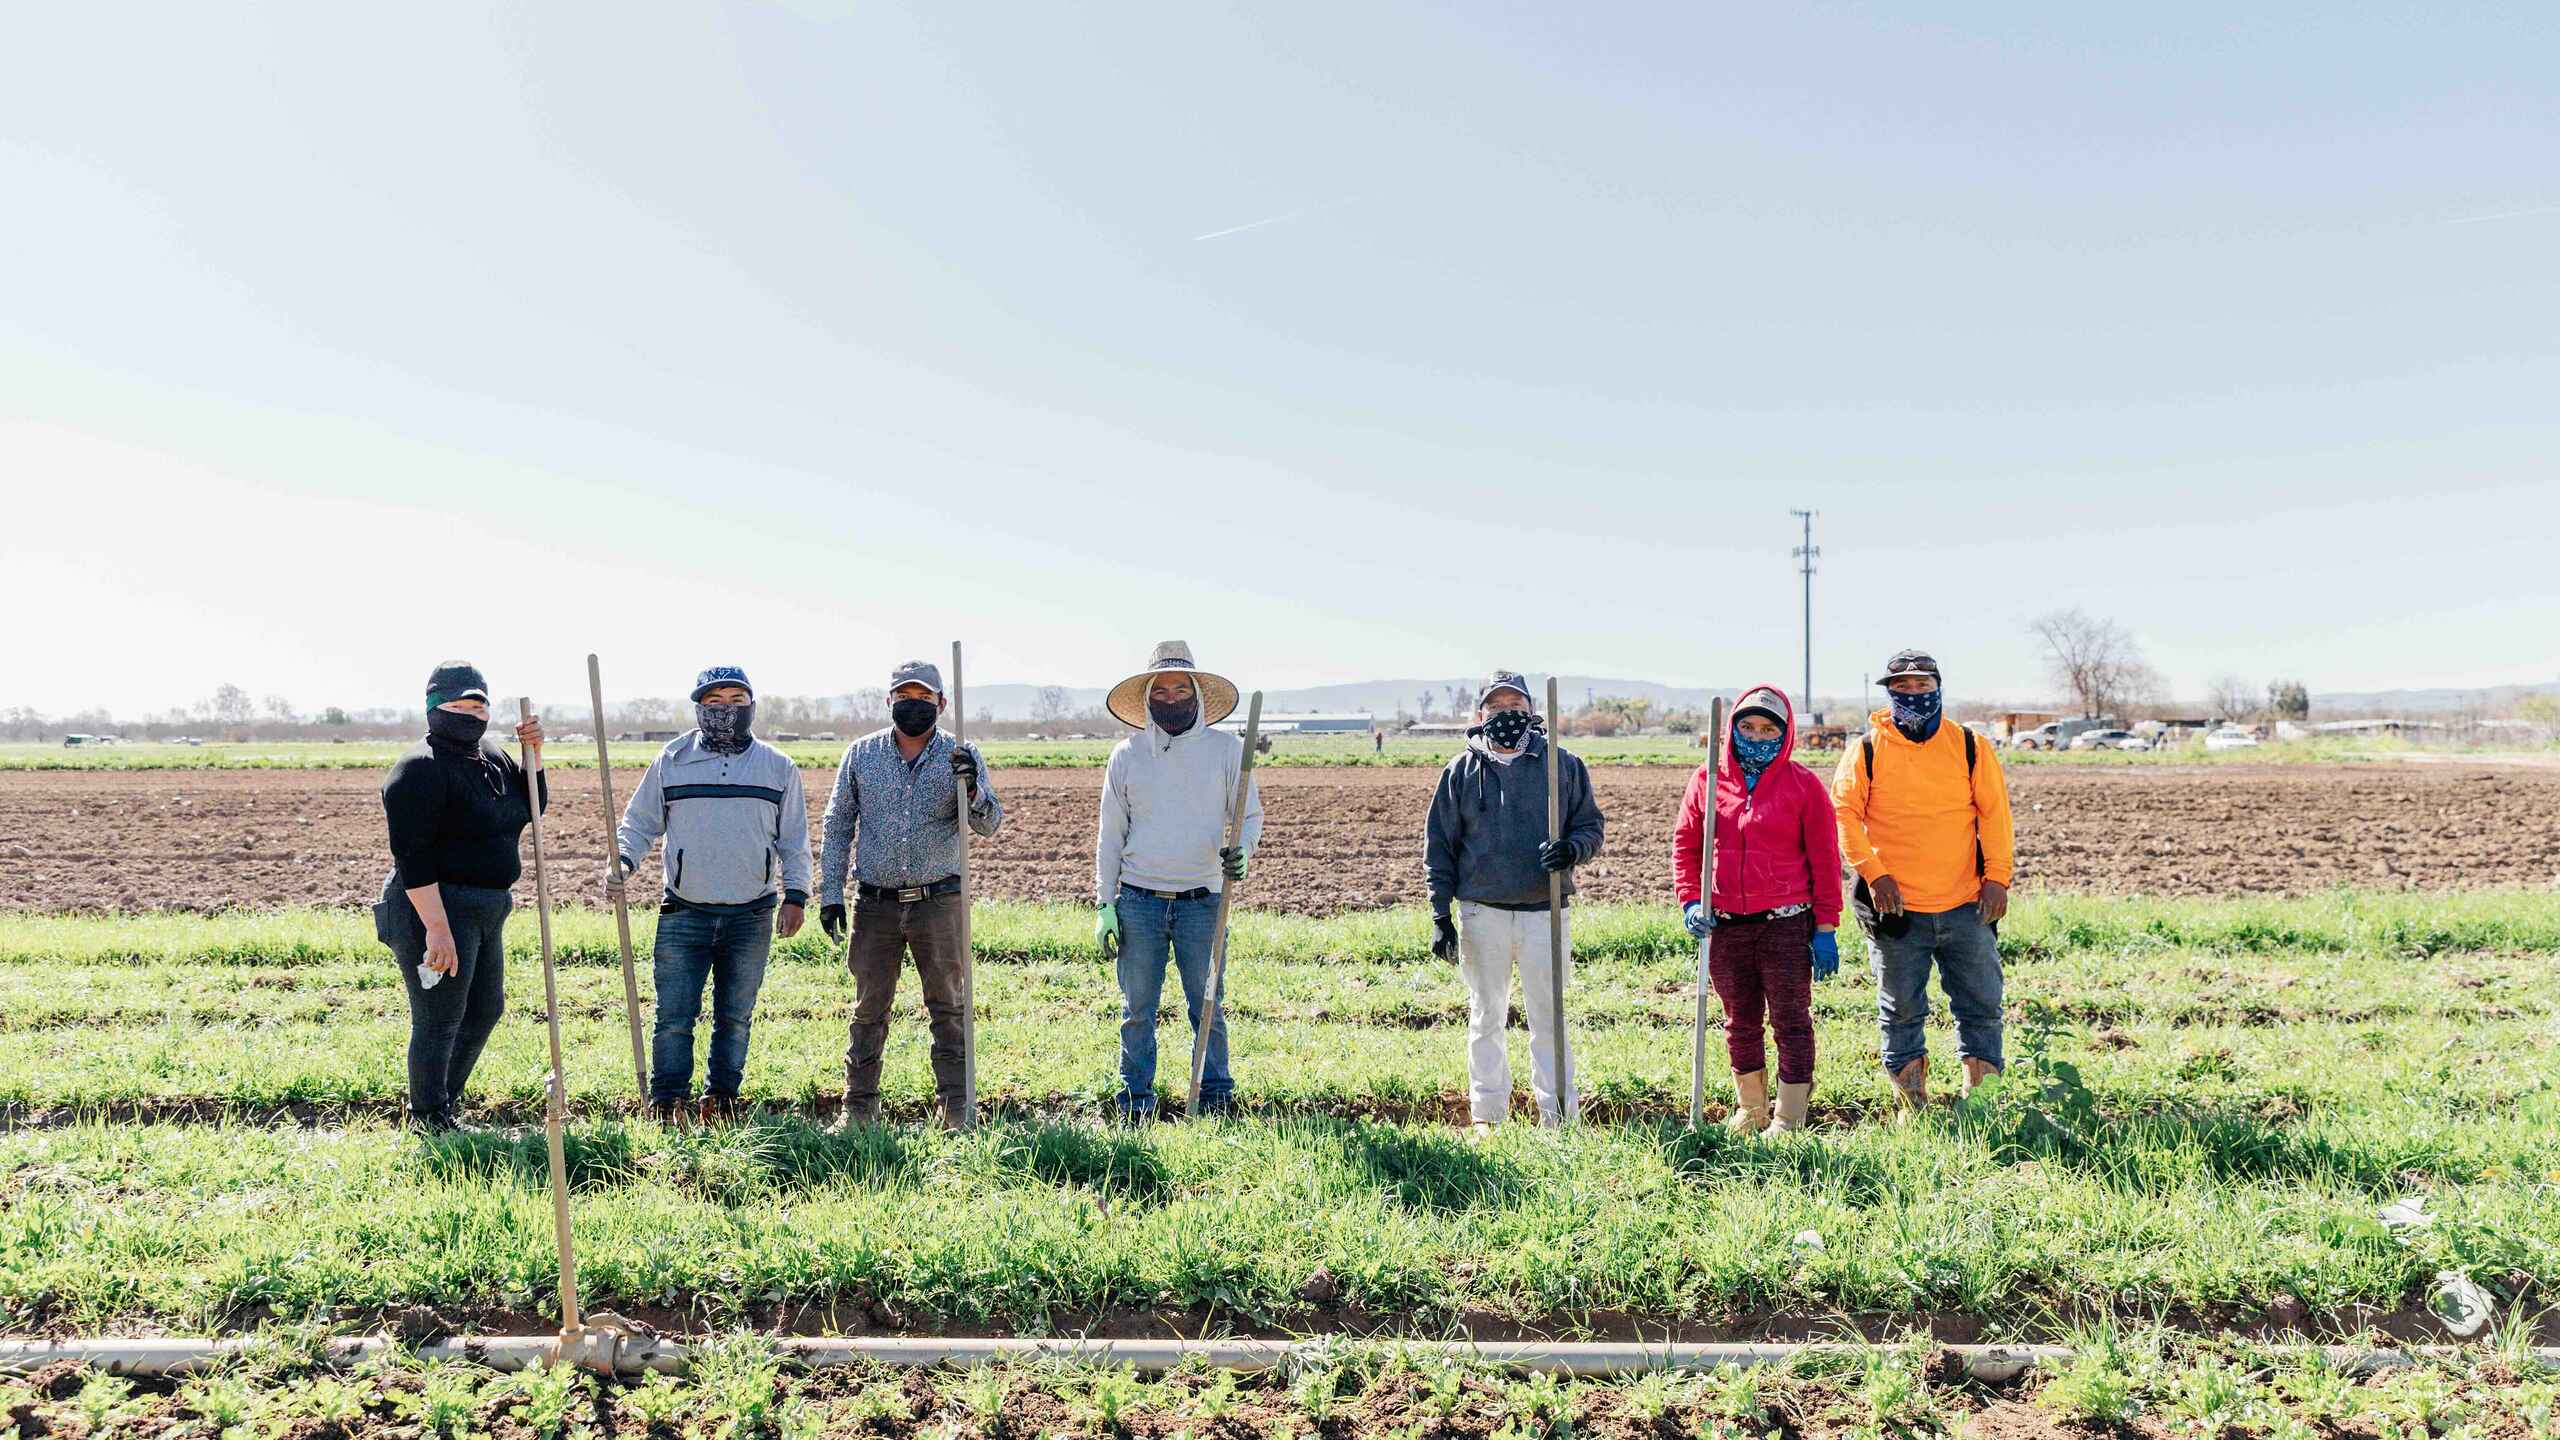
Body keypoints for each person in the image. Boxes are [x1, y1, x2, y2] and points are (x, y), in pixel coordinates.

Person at [614, 666, 812, 1125]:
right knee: (673, 1016)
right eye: (715, 700)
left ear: (752, 705)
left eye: (736, 699)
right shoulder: (672, 760)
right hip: (684, 912)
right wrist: (621, 862)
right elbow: (639, 824)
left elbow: (794, 839)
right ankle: (667, 1102)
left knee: (735, 1017)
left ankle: (720, 1100)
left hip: (752, 915)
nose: (726, 708)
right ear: (699, 707)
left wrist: (797, 895)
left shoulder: (778, 767)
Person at [1832, 649, 2017, 1113]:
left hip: (1966, 905)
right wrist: (1874, 873)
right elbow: (1845, 814)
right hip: (1896, 911)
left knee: (1981, 1006)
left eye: (1922, 686)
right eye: (1903, 688)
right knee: (1902, 1010)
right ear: (1889, 693)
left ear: (1938, 688)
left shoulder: (1970, 746)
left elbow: (1995, 816)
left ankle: (1983, 1105)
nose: (1913, 694)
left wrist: (1997, 878)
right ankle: (1912, 1106)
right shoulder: (1867, 750)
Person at [817, 660, 1001, 1129]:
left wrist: (973, 786)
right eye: (904, 696)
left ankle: (956, 1108)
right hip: (874, 903)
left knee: (948, 1005)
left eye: (923, 698)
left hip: (939, 901)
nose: (913, 704)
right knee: (868, 1008)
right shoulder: (862, 755)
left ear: (942, 703)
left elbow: (988, 824)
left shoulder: (961, 754)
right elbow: (838, 825)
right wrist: (831, 892)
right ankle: (858, 1108)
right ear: (889, 701)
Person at [1424, 671, 1604, 1131]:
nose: (1508, 716)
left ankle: (1559, 1119)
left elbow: (1590, 827)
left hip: (1546, 913)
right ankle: (1488, 1117)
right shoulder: (1461, 772)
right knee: (1487, 1015)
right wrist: (1439, 914)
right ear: (1481, 714)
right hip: (1483, 913)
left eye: (1517, 707)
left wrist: (1572, 850)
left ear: (1533, 713)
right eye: (1498, 707)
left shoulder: (1561, 765)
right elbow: (1439, 846)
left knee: (1550, 1018)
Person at [1093, 641, 1261, 1121]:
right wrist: (1105, 903)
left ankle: (1214, 1098)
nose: (1170, 698)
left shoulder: (1226, 752)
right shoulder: (1126, 756)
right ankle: (1136, 1101)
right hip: (1139, 902)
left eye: (1180, 688)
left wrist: (1244, 851)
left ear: (1197, 694)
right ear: (1147, 697)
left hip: (1203, 901)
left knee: (1207, 1004)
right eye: (1160, 690)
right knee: (1138, 1008)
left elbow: (1248, 816)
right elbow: (1110, 834)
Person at [375, 661, 545, 1133]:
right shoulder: (416, 770)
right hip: (431, 907)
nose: (469, 714)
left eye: (478, 705)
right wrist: (437, 928)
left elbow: (533, 806)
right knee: (441, 1017)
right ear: (432, 709)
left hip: (487, 907)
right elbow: (414, 856)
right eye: (456, 705)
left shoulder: (491, 755)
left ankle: (443, 1106)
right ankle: (429, 1119)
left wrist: (533, 754)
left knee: (486, 1008)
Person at [1671, 686, 1843, 1135]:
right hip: (1725, 926)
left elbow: (1826, 859)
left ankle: (1789, 1115)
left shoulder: (1803, 785)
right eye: (1747, 726)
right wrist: (1691, 900)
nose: (1757, 736)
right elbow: (1686, 845)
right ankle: (1751, 1108)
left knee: (1790, 1019)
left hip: (1785, 925)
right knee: (1739, 1021)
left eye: (1769, 729)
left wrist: (1825, 927)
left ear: (1784, 736)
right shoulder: (1707, 780)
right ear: (1732, 728)